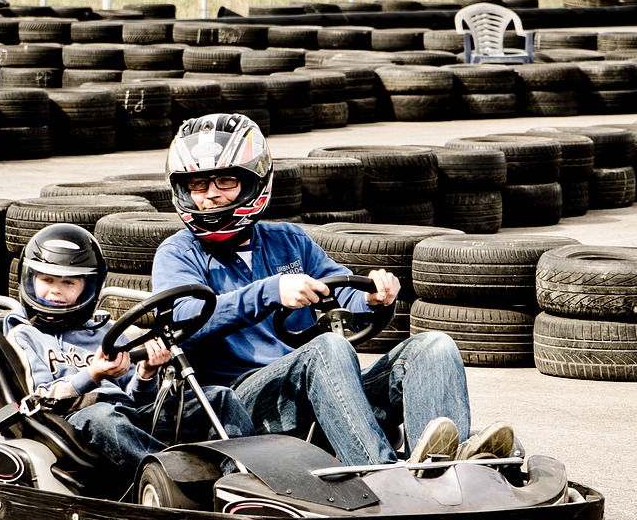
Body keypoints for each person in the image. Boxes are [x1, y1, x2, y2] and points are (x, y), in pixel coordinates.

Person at [150, 113, 516, 468]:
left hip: (317, 390)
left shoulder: (288, 241)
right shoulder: (178, 253)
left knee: (432, 346)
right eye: (198, 185)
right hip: (236, 404)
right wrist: (270, 291)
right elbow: (181, 320)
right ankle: (378, 470)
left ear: (254, 181)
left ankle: (442, 470)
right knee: (326, 349)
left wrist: (372, 296)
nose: (209, 196)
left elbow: (339, 288)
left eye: (224, 181)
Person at [4, 222, 254, 492]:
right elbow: (40, 400)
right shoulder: (24, 336)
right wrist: (93, 375)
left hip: (128, 419)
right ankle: (180, 482)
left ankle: (241, 483)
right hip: (72, 423)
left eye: (68, 282)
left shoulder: (107, 332)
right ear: (29, 279)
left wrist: (145, 373)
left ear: (89, 286)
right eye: (47, 280)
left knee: (219, 397)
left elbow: (138, 402)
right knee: (102, 416)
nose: (55, 290)